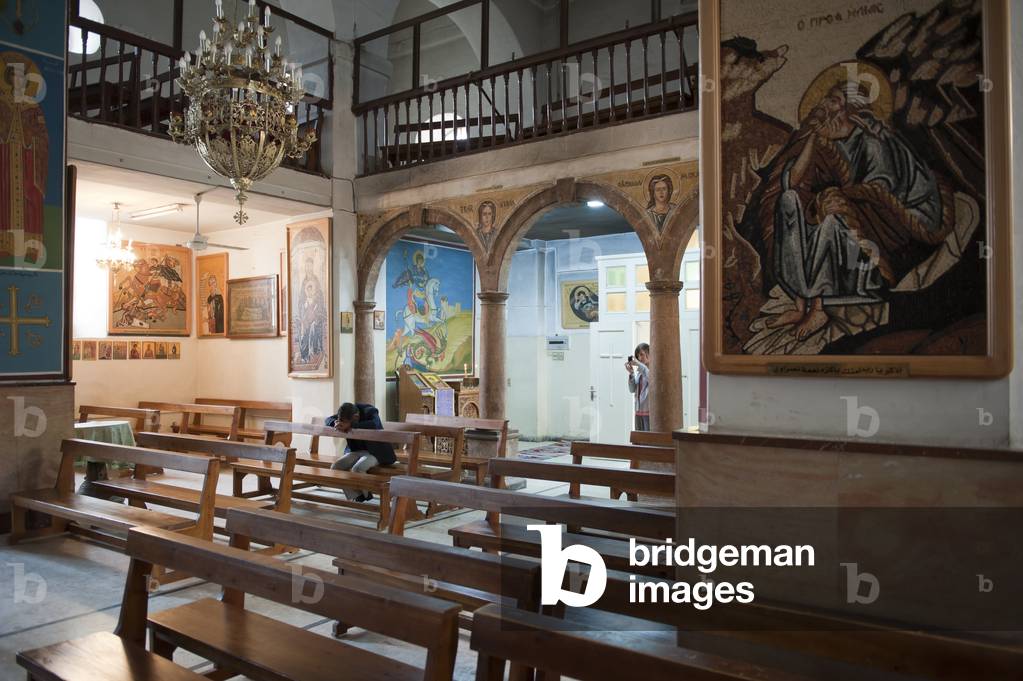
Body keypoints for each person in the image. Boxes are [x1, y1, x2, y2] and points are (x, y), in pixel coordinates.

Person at [325, 402, 396, 502]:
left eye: (347, 421)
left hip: (376, 452)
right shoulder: (346, 412)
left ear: (356, 416)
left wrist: (351, 425)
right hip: (356, 450)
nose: (344, 422)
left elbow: (374, 424)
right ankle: (356, 495)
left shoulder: (369, 411)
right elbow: (328, 420)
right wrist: (335, 423)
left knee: (358, 468)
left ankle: (367, 495)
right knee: (335, 467)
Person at [626, 343, 651, 431]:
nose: (639, 358)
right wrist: (632, 373)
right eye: (638, 356)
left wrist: (639, 365)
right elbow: (632, 389)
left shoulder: (652, 370)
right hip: (638, 411)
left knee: (648, 440)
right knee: (639, 439)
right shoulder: (640, 372)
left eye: (642, 354)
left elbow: (651, 379)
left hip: (649, 411)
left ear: (649, 354)